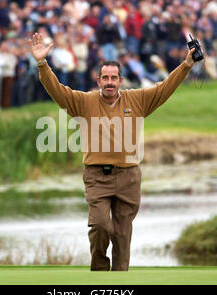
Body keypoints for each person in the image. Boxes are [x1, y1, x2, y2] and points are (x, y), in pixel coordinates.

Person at [30, 32, 195, 271]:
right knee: (100, 226)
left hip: (128, 177)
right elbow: (58, 91)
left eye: (113, 78)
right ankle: (99, 271)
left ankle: (118, 281)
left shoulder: (136, 100)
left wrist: (187, 64)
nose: (109, 82)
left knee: (122, 235)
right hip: (97, 176)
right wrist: (42, 64)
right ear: (98, 81)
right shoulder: (84, 102)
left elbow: (164, 88)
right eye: (105, 78)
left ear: (120, 80)